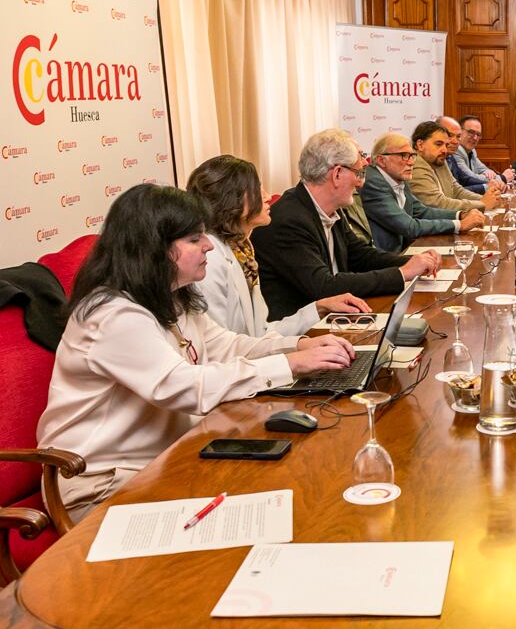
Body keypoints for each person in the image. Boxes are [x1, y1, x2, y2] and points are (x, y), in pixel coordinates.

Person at [36, 184, 356, 520]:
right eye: (193, 239)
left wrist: (299, 346)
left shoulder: (170, 296)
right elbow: (186, 388)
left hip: (163, 459)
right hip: (97, 483)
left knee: (285, 486)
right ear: (153, 249)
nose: (208, 246)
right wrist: (289, 364)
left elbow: (229, 345)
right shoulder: (112, 315)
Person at [253, 128, 441, 320]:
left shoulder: (329, 208)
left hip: (333, 319)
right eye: (358, 172)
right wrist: (402, 273)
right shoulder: (289, 220)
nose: (361, 183)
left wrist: (414, 262)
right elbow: (324, 286)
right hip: (299, 333)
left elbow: (360, 255)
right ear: (336, 174)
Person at [186, 155, 370, 337]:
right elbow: (226, 349)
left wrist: (317, 309)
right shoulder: (210, 260)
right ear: (232, 199)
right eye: (257, 189)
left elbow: (261, 333)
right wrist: (299, 353)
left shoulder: (241, 251)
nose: (267, 197)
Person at [361, 132, 485, 253]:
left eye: (411, 155)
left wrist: (460, 215)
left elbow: (422, 211)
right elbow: (409, 226)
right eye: (404, 155)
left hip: (405, 250)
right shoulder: (372, 182)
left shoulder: (397, 176)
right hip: (385, 259)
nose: (411, 162)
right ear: (381, 160)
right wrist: (459, 225)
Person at [408, 120, 500, 213]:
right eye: (438, 144)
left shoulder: (439, 160)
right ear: (420, 145)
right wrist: (482, 203)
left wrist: (488, 199)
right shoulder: (414, 166)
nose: (444, 150)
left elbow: (457, 191)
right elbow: (438, 203)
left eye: (446, 145)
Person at [451, 115, 511, 193]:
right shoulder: (455, 150)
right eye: (471, 132)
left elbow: (483, 169)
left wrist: (489, 173)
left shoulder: (472, 151)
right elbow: (469, 177)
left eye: (478, 135)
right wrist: (502, 178)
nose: (475, 138)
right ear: (460, 132)